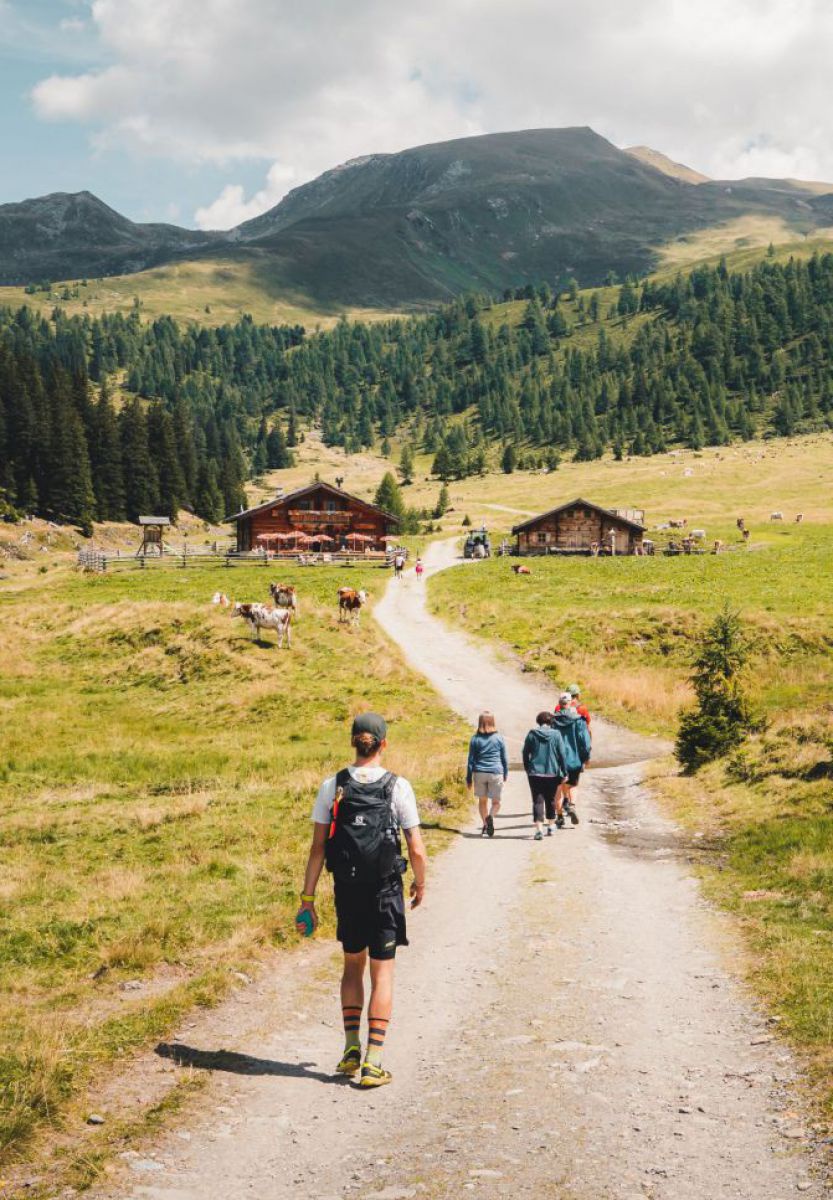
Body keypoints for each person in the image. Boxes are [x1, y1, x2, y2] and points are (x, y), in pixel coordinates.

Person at [296, 713, 427, 1088]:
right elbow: (416, 848)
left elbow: (318, 847)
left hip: (347, 890)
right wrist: (420, 883)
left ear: (354, 742)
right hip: (385, 892)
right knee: (382, 971)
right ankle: (374, 1061)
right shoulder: (398, 787)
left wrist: (307, 900)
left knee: (352, 966)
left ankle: (351, 1046)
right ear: (384, 744)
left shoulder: (332, 785)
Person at [522, 711, 567, 840]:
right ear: (551, 722)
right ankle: (551, 826)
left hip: (535, 772)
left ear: (538, 721)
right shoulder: (557, 734)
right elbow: (562, 755)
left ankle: (539, 829)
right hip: (552, 773)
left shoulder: (532, 734)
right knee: (551, 799)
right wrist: (564, 771)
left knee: (537, 800)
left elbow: (525, 753)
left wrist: (527, 768)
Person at [466, 711, 509, 837]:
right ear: (493, 722)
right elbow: (504, 758)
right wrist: (505, 772)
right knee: (496, 802)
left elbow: (470, 761)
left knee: (482, 801)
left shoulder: (475, 739)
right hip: (496, 772)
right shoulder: (499, 738)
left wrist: (469, 778)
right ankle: (491, 816)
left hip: (479, 773)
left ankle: (485, 825)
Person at [551, 693, 591, 826]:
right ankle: (572, 805)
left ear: (559, 703)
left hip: (556, 761)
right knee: (573, 785)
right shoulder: (579, 720)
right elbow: (585, 743)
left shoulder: (552, 721)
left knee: (558, 788)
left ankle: (560, 816)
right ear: (570, 703)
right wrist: (585, 758)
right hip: (574, 760)